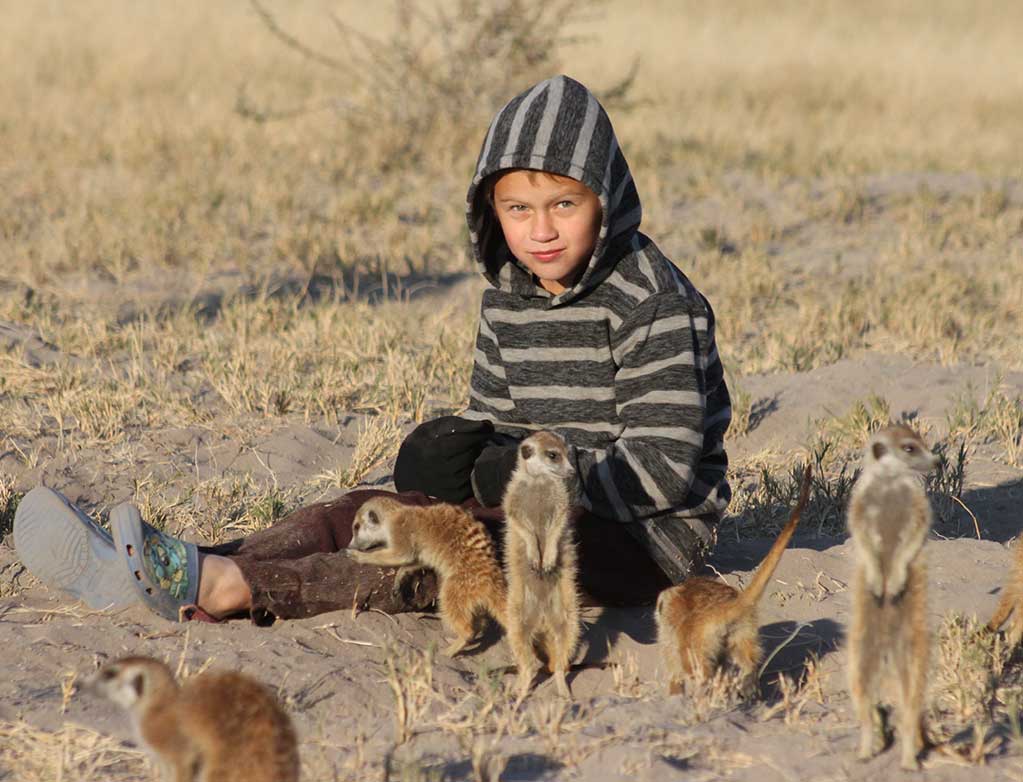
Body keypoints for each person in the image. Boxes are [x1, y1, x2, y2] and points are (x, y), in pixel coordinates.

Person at [13, 75, 731, 625]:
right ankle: (191, 566)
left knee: (432, 545)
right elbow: (495, 432)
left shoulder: (651, 300)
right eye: (518, 209)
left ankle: (233, 589)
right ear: (491, 211)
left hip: (639, 542)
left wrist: (506, 484)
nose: (540, 230)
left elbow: (661, 472)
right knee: (367, 507)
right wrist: (452, 459)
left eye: (563, 206)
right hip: (531, 502)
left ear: (605, 201)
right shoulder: (508, 299)